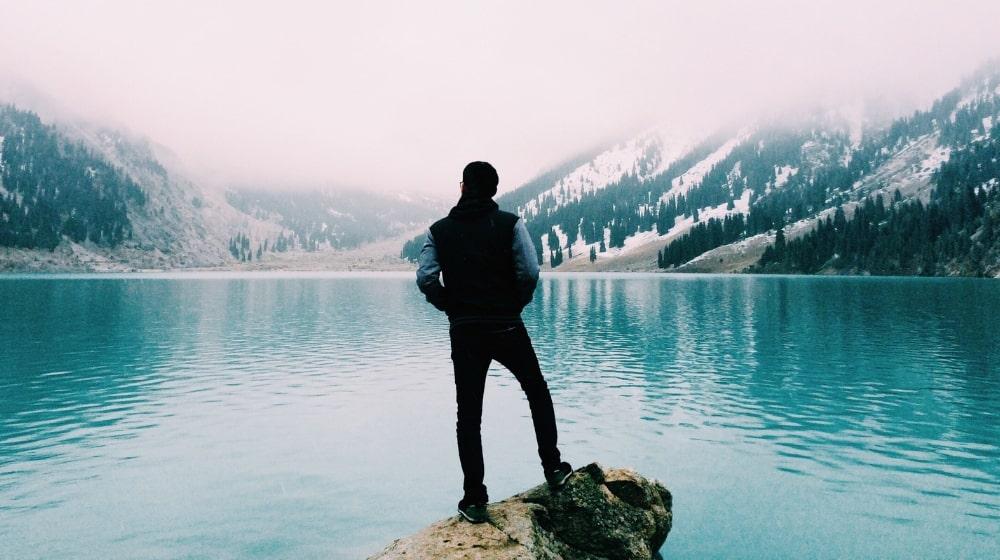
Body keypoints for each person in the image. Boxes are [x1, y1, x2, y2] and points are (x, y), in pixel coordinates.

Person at [416, 161, 572, 524]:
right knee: (536, 389)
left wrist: (450, 306)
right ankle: (552, 467)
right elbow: (530, 271)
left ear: (464, 188)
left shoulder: (439, 230)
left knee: (468, 415)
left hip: (466, 330)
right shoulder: (510, 224)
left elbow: (425, 278)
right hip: (506, 325)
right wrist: (514, 303)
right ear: (494, 190)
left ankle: (474, 498)